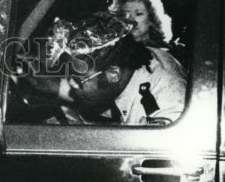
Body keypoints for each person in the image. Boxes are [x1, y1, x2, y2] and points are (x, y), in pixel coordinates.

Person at [53, 11, 187, 125]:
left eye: (77, 80)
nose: (70, 84)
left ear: (113, 74)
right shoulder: (132, 56)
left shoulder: (166, 114)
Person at [108, 0, 173, 48]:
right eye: (126, 14)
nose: (132, 20)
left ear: (151, 18)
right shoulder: (114, 49)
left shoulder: (165, 50)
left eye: (139, 14)